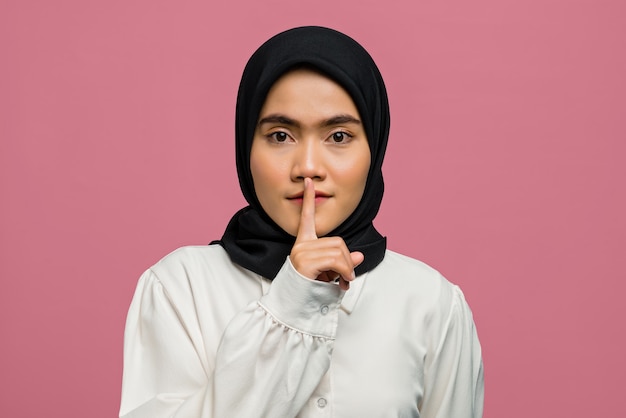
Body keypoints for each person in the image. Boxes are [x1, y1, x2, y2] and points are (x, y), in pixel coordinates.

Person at [119, 26, 484, 417]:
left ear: (374, 147)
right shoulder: (180, 288)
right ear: (246, 147)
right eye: (280, 136)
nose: (308, 167)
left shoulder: (432, 302)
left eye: (339, 136)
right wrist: (292, 302)